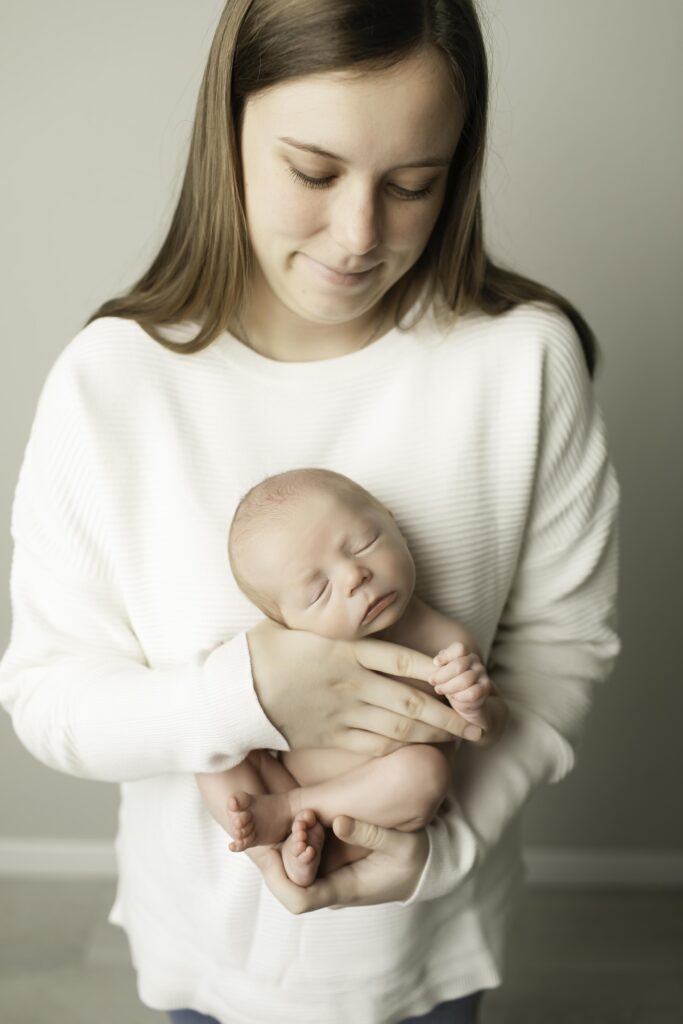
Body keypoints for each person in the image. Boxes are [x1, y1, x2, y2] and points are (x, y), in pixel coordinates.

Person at [0, 2, 620, 1023]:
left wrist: (435, 845)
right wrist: (246, 694)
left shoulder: (520, 362)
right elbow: (47, 693)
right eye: (313, 173)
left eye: (411, 184)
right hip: (202, 948)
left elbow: (559, 651)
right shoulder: (112, 382)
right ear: (228, 130)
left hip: (427, 940)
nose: (357, 235)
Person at [196, 466, 496, 888]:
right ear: (284, 622)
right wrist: (228, 681)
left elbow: (488, 732)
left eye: (364, 544)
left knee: (425, 772)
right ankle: (279, 851)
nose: (355, 576)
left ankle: (311, 843)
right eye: (318, 592)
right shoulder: (292, 645)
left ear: (394, 524)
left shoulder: (445, 641)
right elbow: (226, 701)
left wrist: (474, 703)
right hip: (274, 784)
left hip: (362, 818)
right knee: (206, 737)